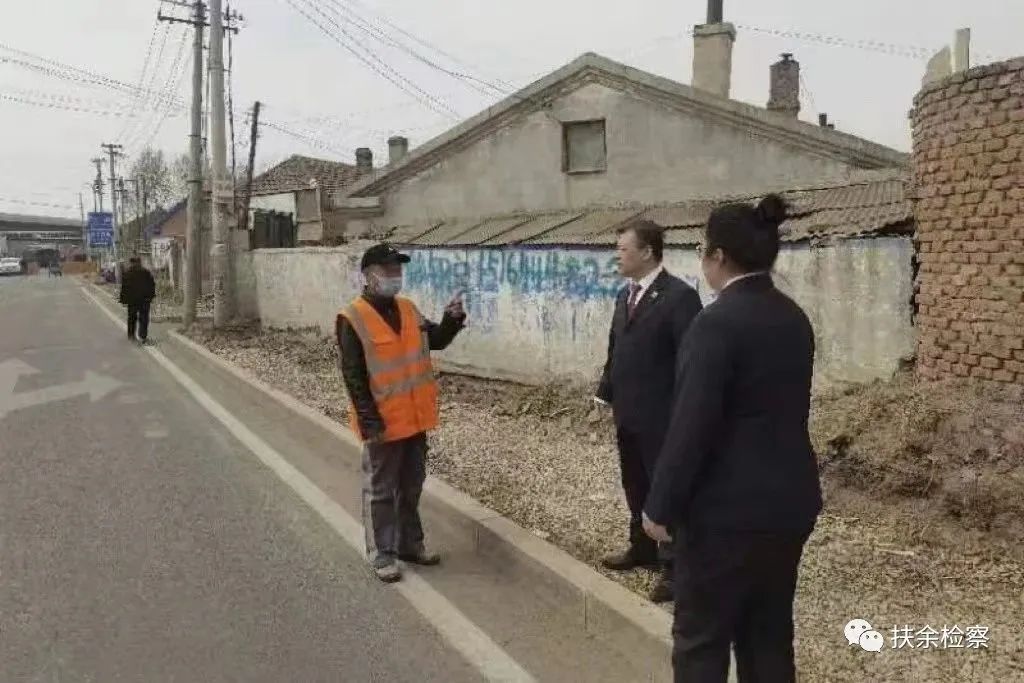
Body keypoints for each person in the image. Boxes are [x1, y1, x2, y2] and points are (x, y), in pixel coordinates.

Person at [642, 195, 823, 683]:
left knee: (701, 642)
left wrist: (660, 506)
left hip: (723, 515)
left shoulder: (715, 323)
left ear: (717, 256)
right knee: (768, 638)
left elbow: (692, 425)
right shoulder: (793, 317)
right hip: (788, 506)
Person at [336, 243, 467, 583]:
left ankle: (410, 544)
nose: (396, 275)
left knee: (410, 487)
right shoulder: (353, 318)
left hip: (415, 418)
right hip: (383, 423)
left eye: (398, 269)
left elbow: (434, 340)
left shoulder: (408, 309)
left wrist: (452, 320)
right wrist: (369, 421)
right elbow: (353, 376)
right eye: (389, 270)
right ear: (369, 276)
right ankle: (382, 553)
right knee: (381, 490)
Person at [595, 219, 702, 603]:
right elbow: (616, 348)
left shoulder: (679, 298)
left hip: (664, 416)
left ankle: (675, 567)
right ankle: (642, 547)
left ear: (647, 252)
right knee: (635, 482)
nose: (618, 256)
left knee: (665, 487)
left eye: (623, 249)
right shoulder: (624, 296)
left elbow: (692, 361)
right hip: (629, 412)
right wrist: (605, 392)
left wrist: (686, 412)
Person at [119, 256, 156, 343]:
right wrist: (151, 297)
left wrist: (123, 300)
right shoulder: (146, 272)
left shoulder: (127, 273)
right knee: (144, 318)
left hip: (132, 300)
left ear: (131, 263)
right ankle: (142, 336)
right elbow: (151, 285)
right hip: (144, 299)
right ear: (140, 262)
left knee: (132, 318)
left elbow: (124, 288)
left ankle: (131, 336)